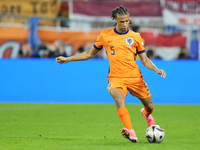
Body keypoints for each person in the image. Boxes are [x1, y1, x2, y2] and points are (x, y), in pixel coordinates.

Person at [56, 6, 166, 143]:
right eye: (121, 22)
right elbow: (89, 53)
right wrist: (68, 59)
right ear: (115, 20)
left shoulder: (135, 37)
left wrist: (156, 69)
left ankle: (146, 114)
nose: (125, 24)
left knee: (150, 106)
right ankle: (130, 131)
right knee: (119, 99)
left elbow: (144, 59)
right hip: (116, 78)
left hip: (135, 78)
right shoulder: (105, 36)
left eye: (127, 21)